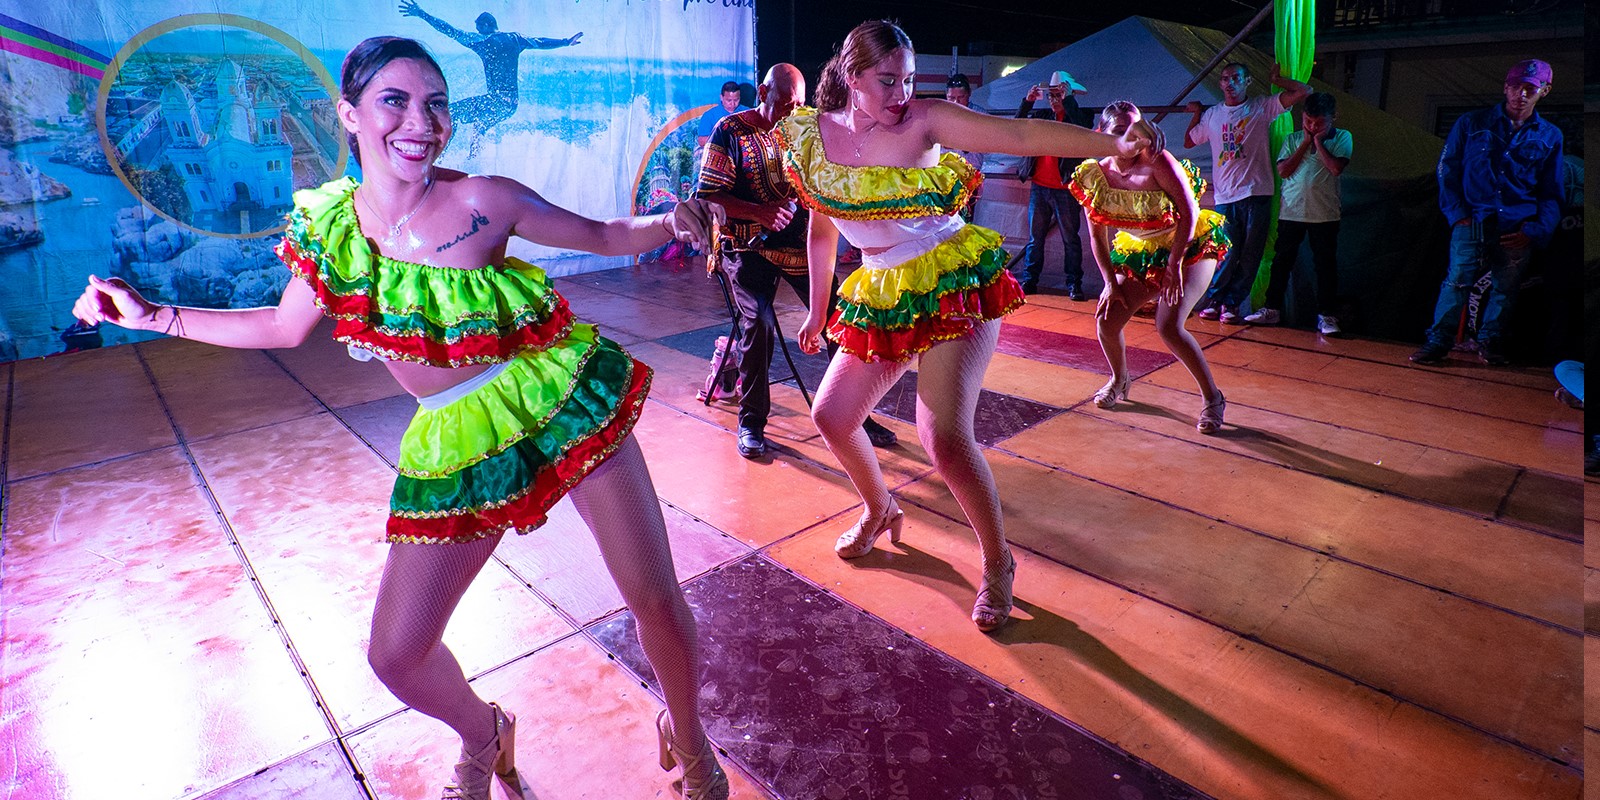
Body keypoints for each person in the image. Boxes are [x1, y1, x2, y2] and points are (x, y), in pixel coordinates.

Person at [71, 37, 729, 800]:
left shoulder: (486, 200)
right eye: (395, 100)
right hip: (458, 434)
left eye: (437, 102)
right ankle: (486, 734)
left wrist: (673, 222)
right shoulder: (334, 233)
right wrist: (157, 316)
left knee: (652, 595)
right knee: (397, 655)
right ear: (348, 115)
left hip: (557, 398)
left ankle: (691, 742)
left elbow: (608, 235)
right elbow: (282, 328)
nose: (422, 122)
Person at [776, 20, 1148, 632]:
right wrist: (818, 310)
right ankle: (881, 509)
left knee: (942, 437)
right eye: (887, 80)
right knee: (831, 416)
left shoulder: (925, 120)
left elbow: (1021, 132)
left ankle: (999, 561)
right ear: (850, 76)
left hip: (951, 279)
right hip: (885, 287)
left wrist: (1111, 146)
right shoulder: (811, 139)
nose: (901, 93)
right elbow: (821, 227)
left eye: (909, 79)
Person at [695, 64, 897, 458]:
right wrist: (760, 212)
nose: (791, 113)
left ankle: (853, 414)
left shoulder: (803, 132)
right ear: (762, 91)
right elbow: (708, 196)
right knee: (761, 324)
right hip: (746, 247)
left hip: (797, 248)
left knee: (845, 318)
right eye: (785, 104)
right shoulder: (729, 132)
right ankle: (751, 423)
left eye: (798, 106)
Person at [1071, 102, 1230, 434]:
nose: (1130, 139)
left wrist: (1173, 265)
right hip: (1144, 250)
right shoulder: (1095, 175)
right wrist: (1109, 284)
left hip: (1188, 246)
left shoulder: (1157, 161)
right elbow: (1097, 235)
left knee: (1169, 326)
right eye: (1119, 132)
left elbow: (1189, 212)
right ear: (1101, 134)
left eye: (1135, 131)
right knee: (1107, 317)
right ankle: (1120, 379)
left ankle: (1213, 398)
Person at [1410, 59, 1565, 366]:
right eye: (1516, 86)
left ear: (1544, 91)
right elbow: (1447, 168)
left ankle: (1490, 343)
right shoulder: (1472, 123)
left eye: (1530, 88)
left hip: (1516, 223)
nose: (1521, 94)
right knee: (1456, 281)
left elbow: (1552, 191)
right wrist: (1457, 213)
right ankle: (1438, 342)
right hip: (1472, 218)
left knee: (1505, 288)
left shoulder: (1550, 136)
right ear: (1505, 87)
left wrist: (1535, 229)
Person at [1183, 62, 1311, 323]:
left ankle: (1232, 304)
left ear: (1247, 81)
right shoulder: (1214, 114)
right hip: (1226, 196)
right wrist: (1196, 113)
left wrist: (1277, 78)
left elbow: (1303, 91)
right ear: (1220, 84)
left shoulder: (1261, 107)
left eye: (1236, 78)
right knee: (1227, 251)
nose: (1230, 83)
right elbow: (1189, 141)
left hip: (1256, 192)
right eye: (1225, 78)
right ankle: (1215, 299)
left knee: (1251, 254)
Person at [399, 2, 581, 142]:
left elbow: (450, 31)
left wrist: (422, 14)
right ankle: (474, 163)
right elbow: (540, 41)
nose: (477, 31)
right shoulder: (515, 38)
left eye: (479, 27)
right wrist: (565, 41)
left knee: (452, 112)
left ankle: (440, 159)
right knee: (479, 128)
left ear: (486, 26)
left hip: (495, 101)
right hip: (511, 106)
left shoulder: (482, 42)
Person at [1258, 92, 1352, 334]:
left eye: (1319, 122)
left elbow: (1335, 168)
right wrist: (1304, 142)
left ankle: (1327, 316)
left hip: (1325, 214)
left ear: (1333, 118)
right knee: (1281, 262)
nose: (1312, 126)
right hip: (1291, 211)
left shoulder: (1342, 137)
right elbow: (1284, 171)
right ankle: (1272, 309)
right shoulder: (1292, 139)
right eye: (1308, 121)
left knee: (1325, 266)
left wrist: (1318, 142)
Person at [1015, 70, 1093, 300]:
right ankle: (1030, 280)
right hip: (1040, 185)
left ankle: (1074, 284)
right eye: (1051, 95)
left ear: (1069, 96)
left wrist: (1068, 100)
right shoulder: (1042, 115)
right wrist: (1027, 102)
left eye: (1058, 95)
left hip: (1065, 188)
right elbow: (1016, 128)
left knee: (1070, 238)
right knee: (1035, 237)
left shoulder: (1080, 115)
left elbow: (1083, 129)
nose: (1053, 100)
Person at [697, 81, 748, 147]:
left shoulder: (748, 112)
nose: (732, 104)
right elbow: (702, 141)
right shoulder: (709, 115)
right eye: (729, 100)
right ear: (721, 97)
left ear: (740, 97)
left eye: (736, 100)